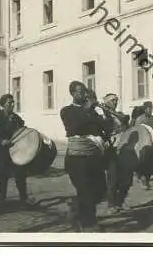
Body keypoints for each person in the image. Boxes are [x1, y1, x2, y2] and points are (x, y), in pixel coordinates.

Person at [60, 82, 107, 232]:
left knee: (100, 190)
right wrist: (87, 109)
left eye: (85, 92)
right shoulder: (67, 111)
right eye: (81, 92)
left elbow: (104, 127)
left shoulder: (92, 111)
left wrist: (106, 113)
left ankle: (75, 206)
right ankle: (89, 224)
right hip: (77, 158)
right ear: (73, 93)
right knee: (85, 190)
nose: (84, 95)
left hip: (94, 156)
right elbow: (74, 128)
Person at [0, 94, 35, 208]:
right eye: (9, 103)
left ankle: (23, 199)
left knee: (20, 174)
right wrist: (1, 141)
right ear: (3, 104)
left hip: (16, 151)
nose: (12, 105)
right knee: (3, 176)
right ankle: (2, 200)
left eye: (13, 102)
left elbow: (22, 131)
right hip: (2, 152)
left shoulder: (16, 119)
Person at [100, 93, 134, 215]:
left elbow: (127, 123)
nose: (115, 102)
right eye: (112, 100)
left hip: (124, 148)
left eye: (116, 100)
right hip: (112, 150)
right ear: (106, 102)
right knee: (113, 178)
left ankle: (121, 200)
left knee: (127, 178)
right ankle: (111, 204)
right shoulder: (103, 117)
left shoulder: (119, 114)